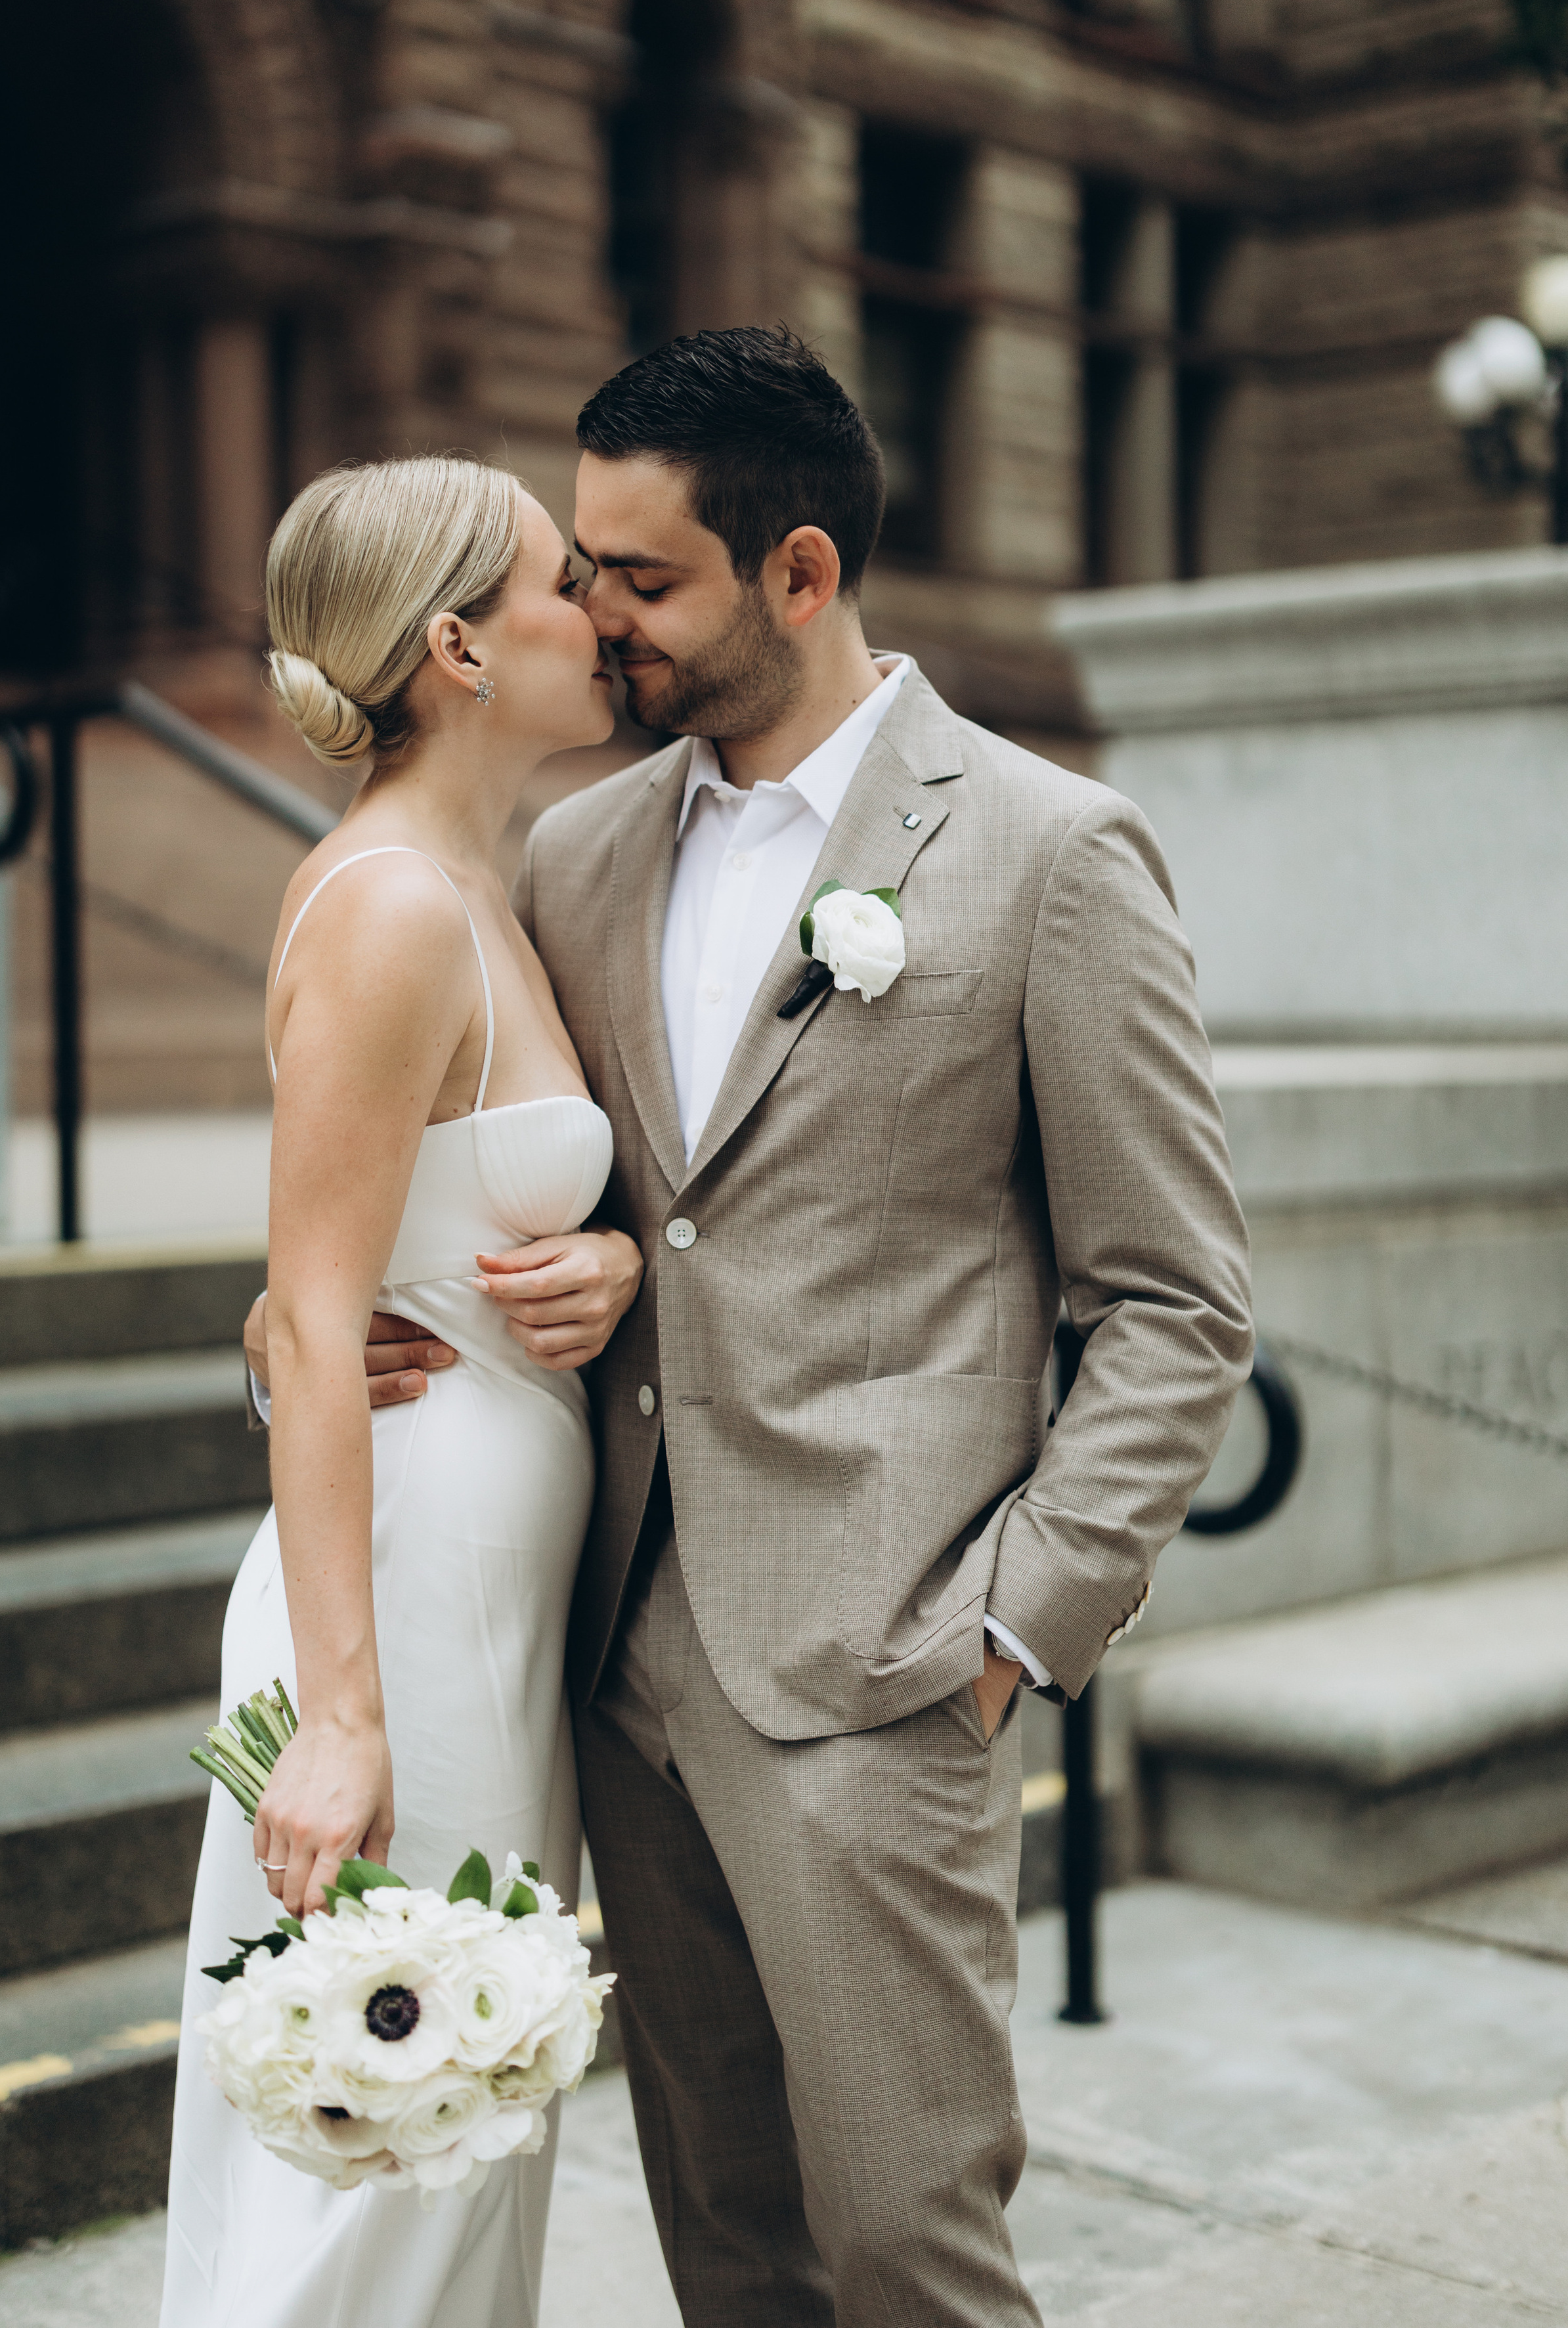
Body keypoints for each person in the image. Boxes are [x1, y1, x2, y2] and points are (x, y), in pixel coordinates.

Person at [252, 327, 1253, 2325]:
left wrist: (1012, 1632)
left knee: (910, 2250)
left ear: (799, 572)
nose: (594, 615)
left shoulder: (1050, 852)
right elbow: (481, 1189)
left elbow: (1174, 1300)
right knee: (731, 2250)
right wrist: (322, 1328)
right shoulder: (573, 850)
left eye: (640, 578)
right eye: (580, 570)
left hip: (887, 1669)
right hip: (609, 1665)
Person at [160, 454, 643, 2328]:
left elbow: (412, 1238)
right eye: (558, 582)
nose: (598, 611)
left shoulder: (480, 888)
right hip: (405, 1600)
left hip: (488, 1587)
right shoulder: (393, 909)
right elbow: (314, 1313)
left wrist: (607, 1267)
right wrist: (343, 1719)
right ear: (457, 645)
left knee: (462, 2137)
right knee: (389, 2149)